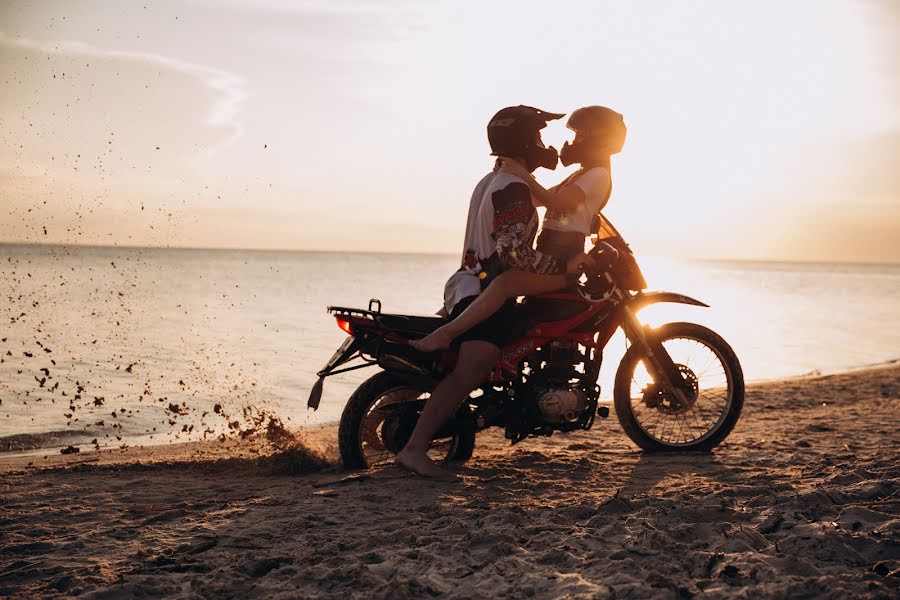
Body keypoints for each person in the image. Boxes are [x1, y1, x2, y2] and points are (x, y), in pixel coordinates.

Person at [395, 105, 594, 478]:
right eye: (536, 138)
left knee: (472, 365)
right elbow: (515, 253)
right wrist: (564, 268)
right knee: (472, 369)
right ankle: (414, 449)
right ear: (522, 142)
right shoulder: (511, 187)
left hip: (464, 286)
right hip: (482, 292)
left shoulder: (498, 180)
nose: (542, 145)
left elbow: (538, 198)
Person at [410, 106, 627, 353]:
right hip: (553, 254)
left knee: (505, 284)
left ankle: (445, 334)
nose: (572, 141)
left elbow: (556, 202)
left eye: (580, 135)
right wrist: (511, 178)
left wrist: (521, 173)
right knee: (489, 289)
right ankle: (438, 328)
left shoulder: (598, 175)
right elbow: (537, 199)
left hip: (564, 259)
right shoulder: (580, 176)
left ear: (599, 139)